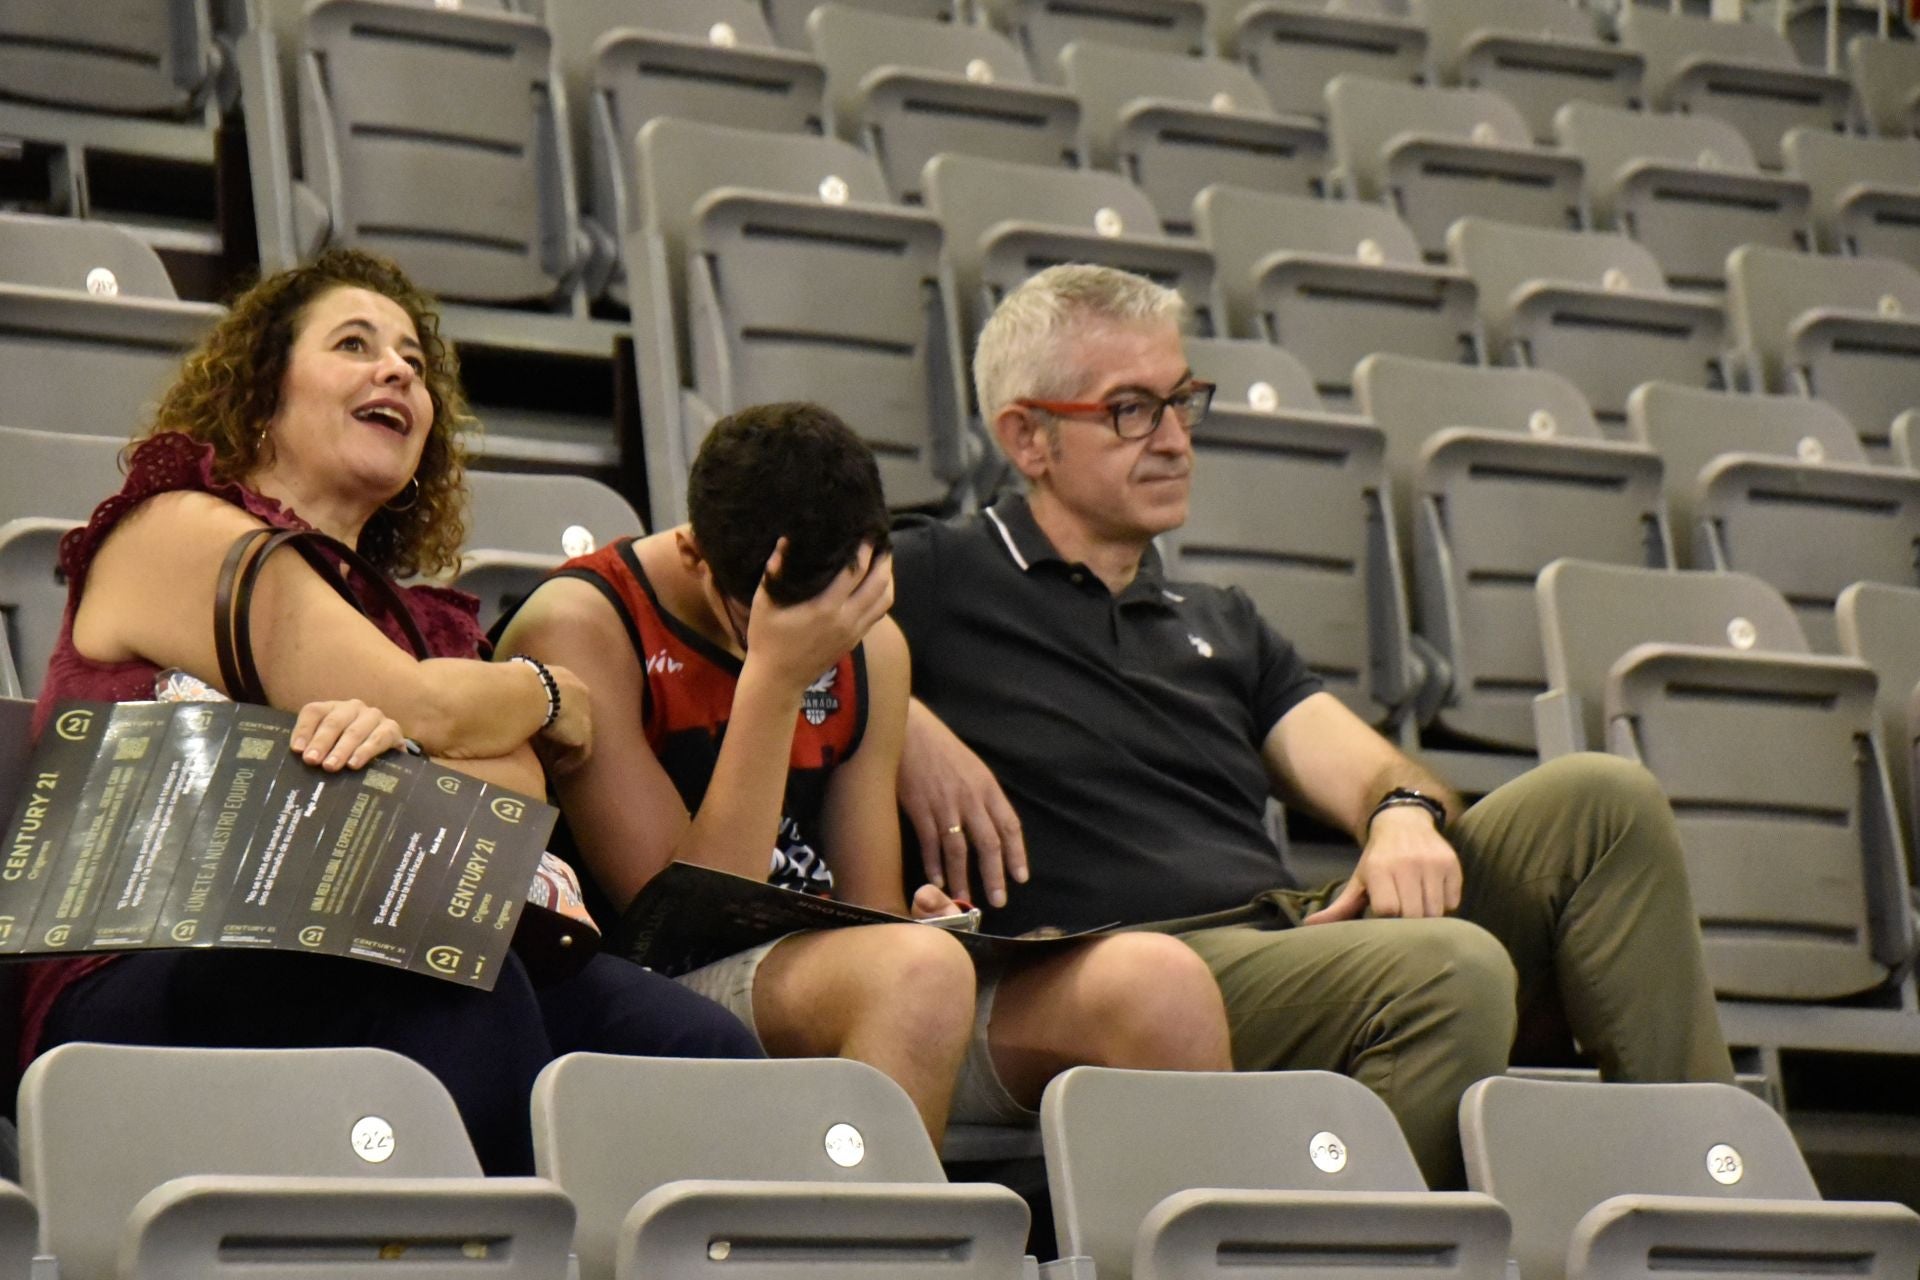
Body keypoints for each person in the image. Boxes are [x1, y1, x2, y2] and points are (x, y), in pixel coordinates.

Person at [890, 263, 1735, 1186]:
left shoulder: (1219, 619)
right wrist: (904, 718)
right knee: (1446, 968)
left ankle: (1702, 1188)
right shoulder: (938, 574)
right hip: (1134, 963)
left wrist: (1401, 814)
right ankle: (1347, 1242)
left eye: (1182, 402)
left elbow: (1368, 770)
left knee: (1604, 801)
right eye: (1131, 410)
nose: (1174, 440)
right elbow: (773, 604)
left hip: (1289, 939)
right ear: (1028, 436)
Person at [24, 248, 759, 1175]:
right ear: (261, 393)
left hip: (387, 938)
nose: (399, 372)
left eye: (413, 359)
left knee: (699, 1051)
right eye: (354, 345)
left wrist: (429, 737)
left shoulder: (414, 620)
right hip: (147, 965)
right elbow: (426, 706)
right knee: (459, 993)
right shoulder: (178, 527)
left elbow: (505, 807)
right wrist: (540, 695)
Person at [495, 402, 1231, 1139]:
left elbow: (866, 909)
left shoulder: (870, 642)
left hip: (833, 980)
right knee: (916, 975)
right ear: (694, 554)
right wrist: (774, 680)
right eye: (781, 621)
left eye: (847, 611)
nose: (829, 640)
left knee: (1161, 985)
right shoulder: (584, 625)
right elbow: (683, 932)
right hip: (646, 989)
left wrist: (925, 925)